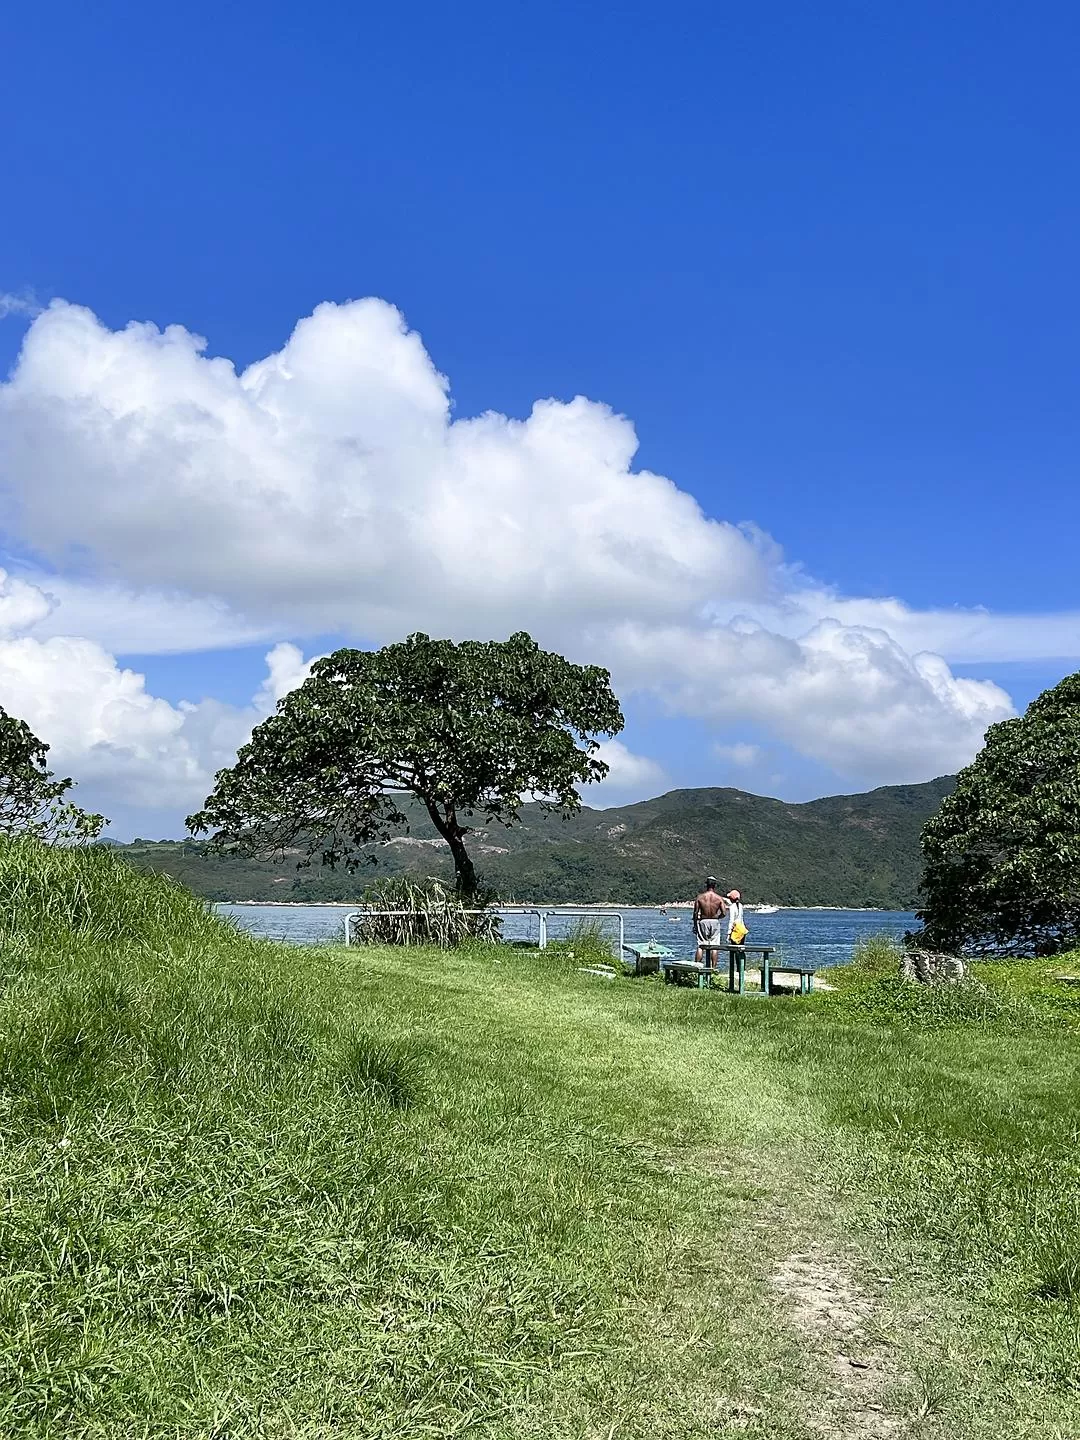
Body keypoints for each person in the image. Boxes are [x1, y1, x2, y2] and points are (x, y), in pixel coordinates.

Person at [693, 877, 728, 965]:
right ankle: (713, 969)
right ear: (714, 885)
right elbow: (724, 913)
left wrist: (695, 925)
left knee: (701, 945)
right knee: (714, 946)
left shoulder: (700, 897)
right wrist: (717, 917)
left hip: (703, 921)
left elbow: (695, 913)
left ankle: (697, 967)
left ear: (706, 885)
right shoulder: (719, 898)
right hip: (714, 921)